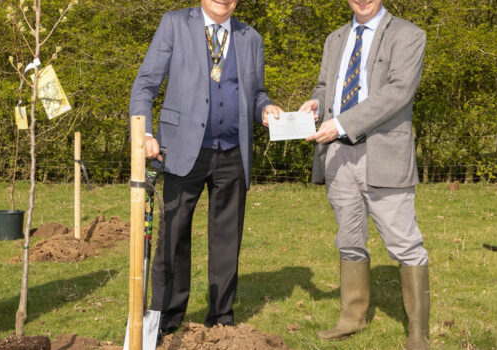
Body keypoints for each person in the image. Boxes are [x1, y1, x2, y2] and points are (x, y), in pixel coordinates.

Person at [129, 0, 283, 341]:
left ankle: (221, 323)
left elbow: (256, 94)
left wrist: (266, 109)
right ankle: (166, 320)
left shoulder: (251, 38)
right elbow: (145, 86)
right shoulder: (174, 24)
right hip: (182, 151)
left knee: (227, 241)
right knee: (173, 237)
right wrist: (146, 134)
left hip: (232, 153)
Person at [299, 0, 430, 348]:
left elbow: (398, 92)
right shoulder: (335, 38)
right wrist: (315, 102)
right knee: (349, 239)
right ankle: (351, 317)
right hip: (338, 154)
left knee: (404, 242)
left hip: (384, 153)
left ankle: (418, 335)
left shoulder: (409, 35)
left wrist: (341, 123)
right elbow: (327, 85)